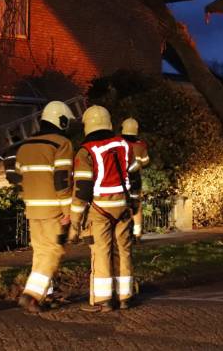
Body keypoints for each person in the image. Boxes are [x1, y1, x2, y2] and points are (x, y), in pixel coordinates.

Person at [69, 105, 135, 312]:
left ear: (88, 125)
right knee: (123, 251)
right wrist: (133, 203)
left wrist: (75, 222)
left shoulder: (86, 151)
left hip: (100, 210)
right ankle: (125, 297)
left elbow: (82, 190)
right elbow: (135, 177)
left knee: (101, 251)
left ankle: (103, 300)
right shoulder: (124, 144)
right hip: (122, 207)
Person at [15, 100, 76, 312]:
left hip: (32, 209)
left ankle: (42, 296)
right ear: (61, 120)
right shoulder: (62, 144)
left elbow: (16, 177)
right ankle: (31, 294)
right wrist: (68, 212)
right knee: (53, 251)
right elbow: (62, 180)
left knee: (40, 253)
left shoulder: (25, 146)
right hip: (53, 210)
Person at [120, 117, 149, 242]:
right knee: (136, 206)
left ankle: (124, 232)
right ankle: (137, 234)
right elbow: (146, 161)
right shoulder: (141, 145)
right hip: (136, 179)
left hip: (121, 180)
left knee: (124, 205)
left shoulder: (119, 143)